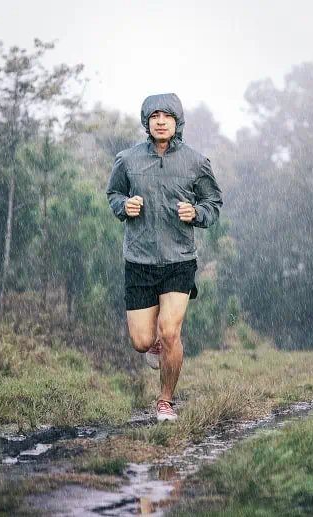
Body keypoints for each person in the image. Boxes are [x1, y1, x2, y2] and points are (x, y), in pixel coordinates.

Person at [106, 93, 222, 422]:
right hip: (139, 261)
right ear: (146, 121)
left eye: (166, 116)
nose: (160, 121)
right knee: (143, 341)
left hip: (179, 260)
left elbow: (213, 205)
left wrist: (196, 212)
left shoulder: (196, 162)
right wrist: (122, 206)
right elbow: (113, 193)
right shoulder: (127, 160)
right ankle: (154, 346)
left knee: (171, 332)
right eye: (154, 116)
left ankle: (166, 401)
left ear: (177, 122)